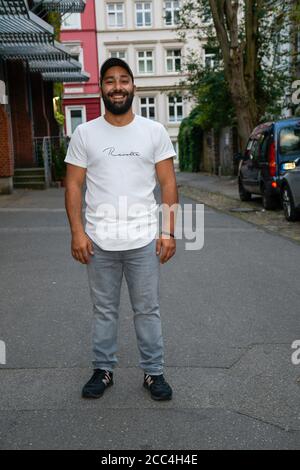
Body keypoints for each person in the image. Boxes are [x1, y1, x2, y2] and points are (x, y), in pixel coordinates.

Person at [64, 57, 178, 401]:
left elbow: (168, 183)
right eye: (110, 81)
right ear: (101, 87)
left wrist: (169, 231)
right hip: (99, 241)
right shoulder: (85, 133)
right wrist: (77, 232)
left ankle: (153, 373)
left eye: (123, 80)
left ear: (133, 86)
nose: (117, 87)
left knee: (147, 309)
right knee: (104, 310)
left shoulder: (153, 131)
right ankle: (103, 369)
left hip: (143, 239)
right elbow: (73, 186)